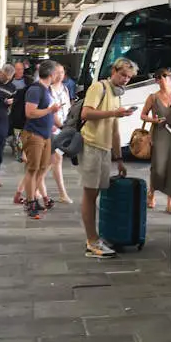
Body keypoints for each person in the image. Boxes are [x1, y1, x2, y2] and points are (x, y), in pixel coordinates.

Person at [79, 57, 138, 259]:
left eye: (129, 78)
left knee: (95, 194)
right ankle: (92, 241)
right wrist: (114, 112)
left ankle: (95, 238)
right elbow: (86, 114)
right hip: (91, 145)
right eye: (123, 75)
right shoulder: (99, 88)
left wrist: (119, 159)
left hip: (103, 149)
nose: (125, 80)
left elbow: (114, 130)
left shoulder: (116, 95)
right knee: (90, 194)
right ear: (114, 70)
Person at [20, 60, 63, 219]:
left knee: (42, 167)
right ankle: (31, 202)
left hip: (45, 135)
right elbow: (30, 113)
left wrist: (62, 126)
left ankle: (34, 198)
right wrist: (50, 109)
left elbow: (50, 114)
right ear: (51, 74)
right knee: (32, 169)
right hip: (34, 134)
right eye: (57, 73)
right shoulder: (35, 90)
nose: (59, 76)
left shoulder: (47, 90)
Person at [140, 68, 171, 212]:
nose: (163, 80)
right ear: (156, 81)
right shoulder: (153, 97)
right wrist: (153, 120)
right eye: (159, 77)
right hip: (159, 135)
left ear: (170, 78)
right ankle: (151, 193)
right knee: (158, 167)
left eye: (165, 76)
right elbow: (143, 115)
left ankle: (170, 201)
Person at [46, 63, 74, 204]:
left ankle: (30, 185)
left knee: (48, 163)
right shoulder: (47, 89)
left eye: (62, 72)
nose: (60, 75)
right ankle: (62, 194)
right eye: (57, 72)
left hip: (63, 127)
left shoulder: (65, 89)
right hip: (52, 128)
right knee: (56, 160)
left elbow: (68, 107)